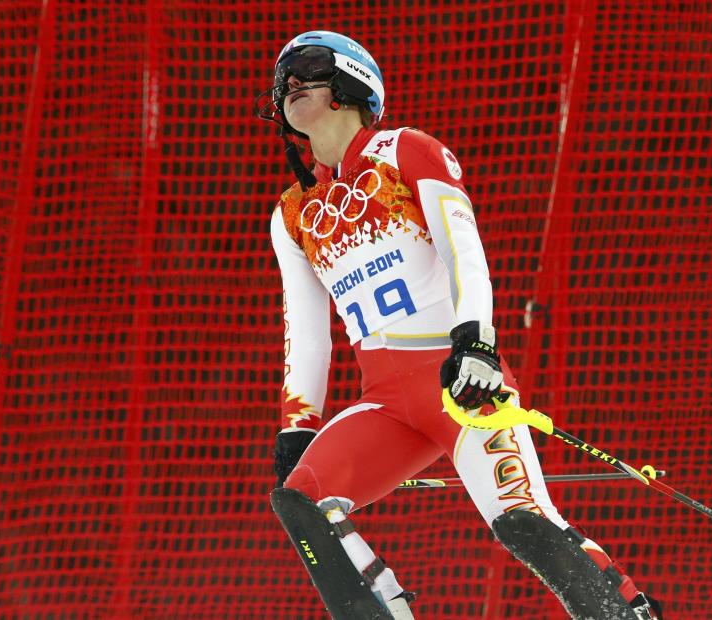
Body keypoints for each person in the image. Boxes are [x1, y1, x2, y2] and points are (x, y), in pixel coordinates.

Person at [256, 30, 662, 620]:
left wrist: (478, 343)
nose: (291, 84)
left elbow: (461, 248)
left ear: (352, 84)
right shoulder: (291, 214)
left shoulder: (404, 150)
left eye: (309, 69)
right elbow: (306, 329)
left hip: (460, 385)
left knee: (524, 523)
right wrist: (298, 429)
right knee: (301, 502)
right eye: (282, 80)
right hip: (386, 407)